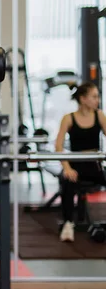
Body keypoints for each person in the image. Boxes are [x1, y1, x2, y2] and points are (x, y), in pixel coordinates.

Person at [55, 81, 106, 242]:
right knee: (67, 182)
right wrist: (66, 168)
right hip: (76, 165)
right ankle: (68, 224)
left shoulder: (100, 115)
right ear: (83, 99)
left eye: (97, 96)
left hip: (94, 165)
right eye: (94, 96)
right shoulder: (68, 118)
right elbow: (58, 145)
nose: (97, 100)